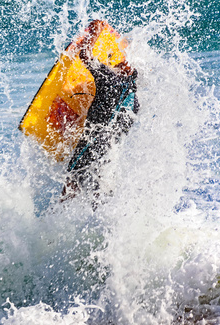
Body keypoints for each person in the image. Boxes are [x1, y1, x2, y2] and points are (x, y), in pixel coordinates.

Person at [61, 20, 139, 202]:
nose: (115, 62)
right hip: (109, 150)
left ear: (125, 71)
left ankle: (53, 220)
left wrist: (95, 31)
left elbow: (85, 56)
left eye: (120, 62)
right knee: (99, 189)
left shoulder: (108, 78)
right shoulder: (134, 101)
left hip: (92, 142)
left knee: (71, 178)